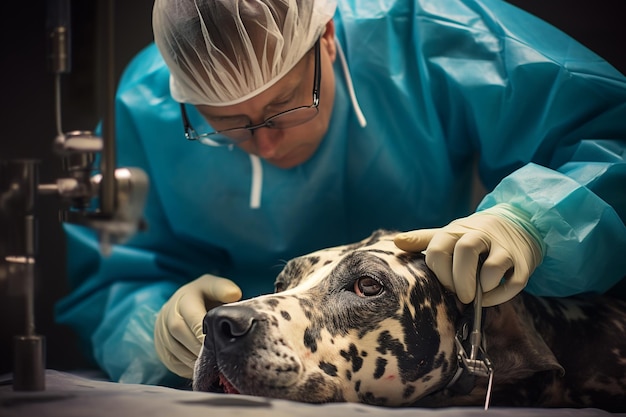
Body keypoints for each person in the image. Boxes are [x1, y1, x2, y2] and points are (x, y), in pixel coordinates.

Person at [56, 0, 626, 386]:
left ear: (327, 38)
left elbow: (610, 132)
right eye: (225, 123)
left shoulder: (431, 39)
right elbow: (111, 273)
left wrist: (536, 221)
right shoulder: (146, 105)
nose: (266, 144)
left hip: (417, 368)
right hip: (242, 378)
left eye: (283, 106)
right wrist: (155, 325)